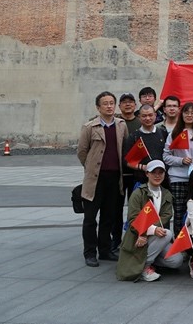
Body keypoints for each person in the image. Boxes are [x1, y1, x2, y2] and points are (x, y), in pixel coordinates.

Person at [77, 91, 127, 267]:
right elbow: (82, 152)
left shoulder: (121, 125)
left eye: (111, 103)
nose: (109, 106)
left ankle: (105, 250)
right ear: (98, 107)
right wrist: (91, 168)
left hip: (114, 178)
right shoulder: (90, 127)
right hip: (95, 179)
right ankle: (90, 253)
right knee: (90, 218)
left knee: (108, 217)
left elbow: (124, 148)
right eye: (105, 103)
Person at [116, 160, 185, 281]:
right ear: (147, 174)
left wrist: (153, 230)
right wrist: (148, 231)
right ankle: (144, 267)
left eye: (160, 172)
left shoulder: (166, 194)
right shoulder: (138, 193)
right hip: (137, 236)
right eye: (154, 172)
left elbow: (166, 216)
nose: (157, 176)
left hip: (157, 236)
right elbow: (132, 220)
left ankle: (147, 260)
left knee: (177, 260)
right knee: (167, 233)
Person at [163, 102, 193, 235]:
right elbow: (166, 156)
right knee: (179, 212)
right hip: (177, 178)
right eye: (186, 112)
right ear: (181, 114)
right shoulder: (174, 133)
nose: (189, 115)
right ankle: (178, 240)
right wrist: (180, 160)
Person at [122, 103, 168, 200]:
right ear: (139, 117)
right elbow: (126, 161)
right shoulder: (134, 136)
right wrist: (143, 167)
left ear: (155, 115)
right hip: (141, 181)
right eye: (144, 116)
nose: (148, 118)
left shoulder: (163, 133)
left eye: (150, 115)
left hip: (162, 181)